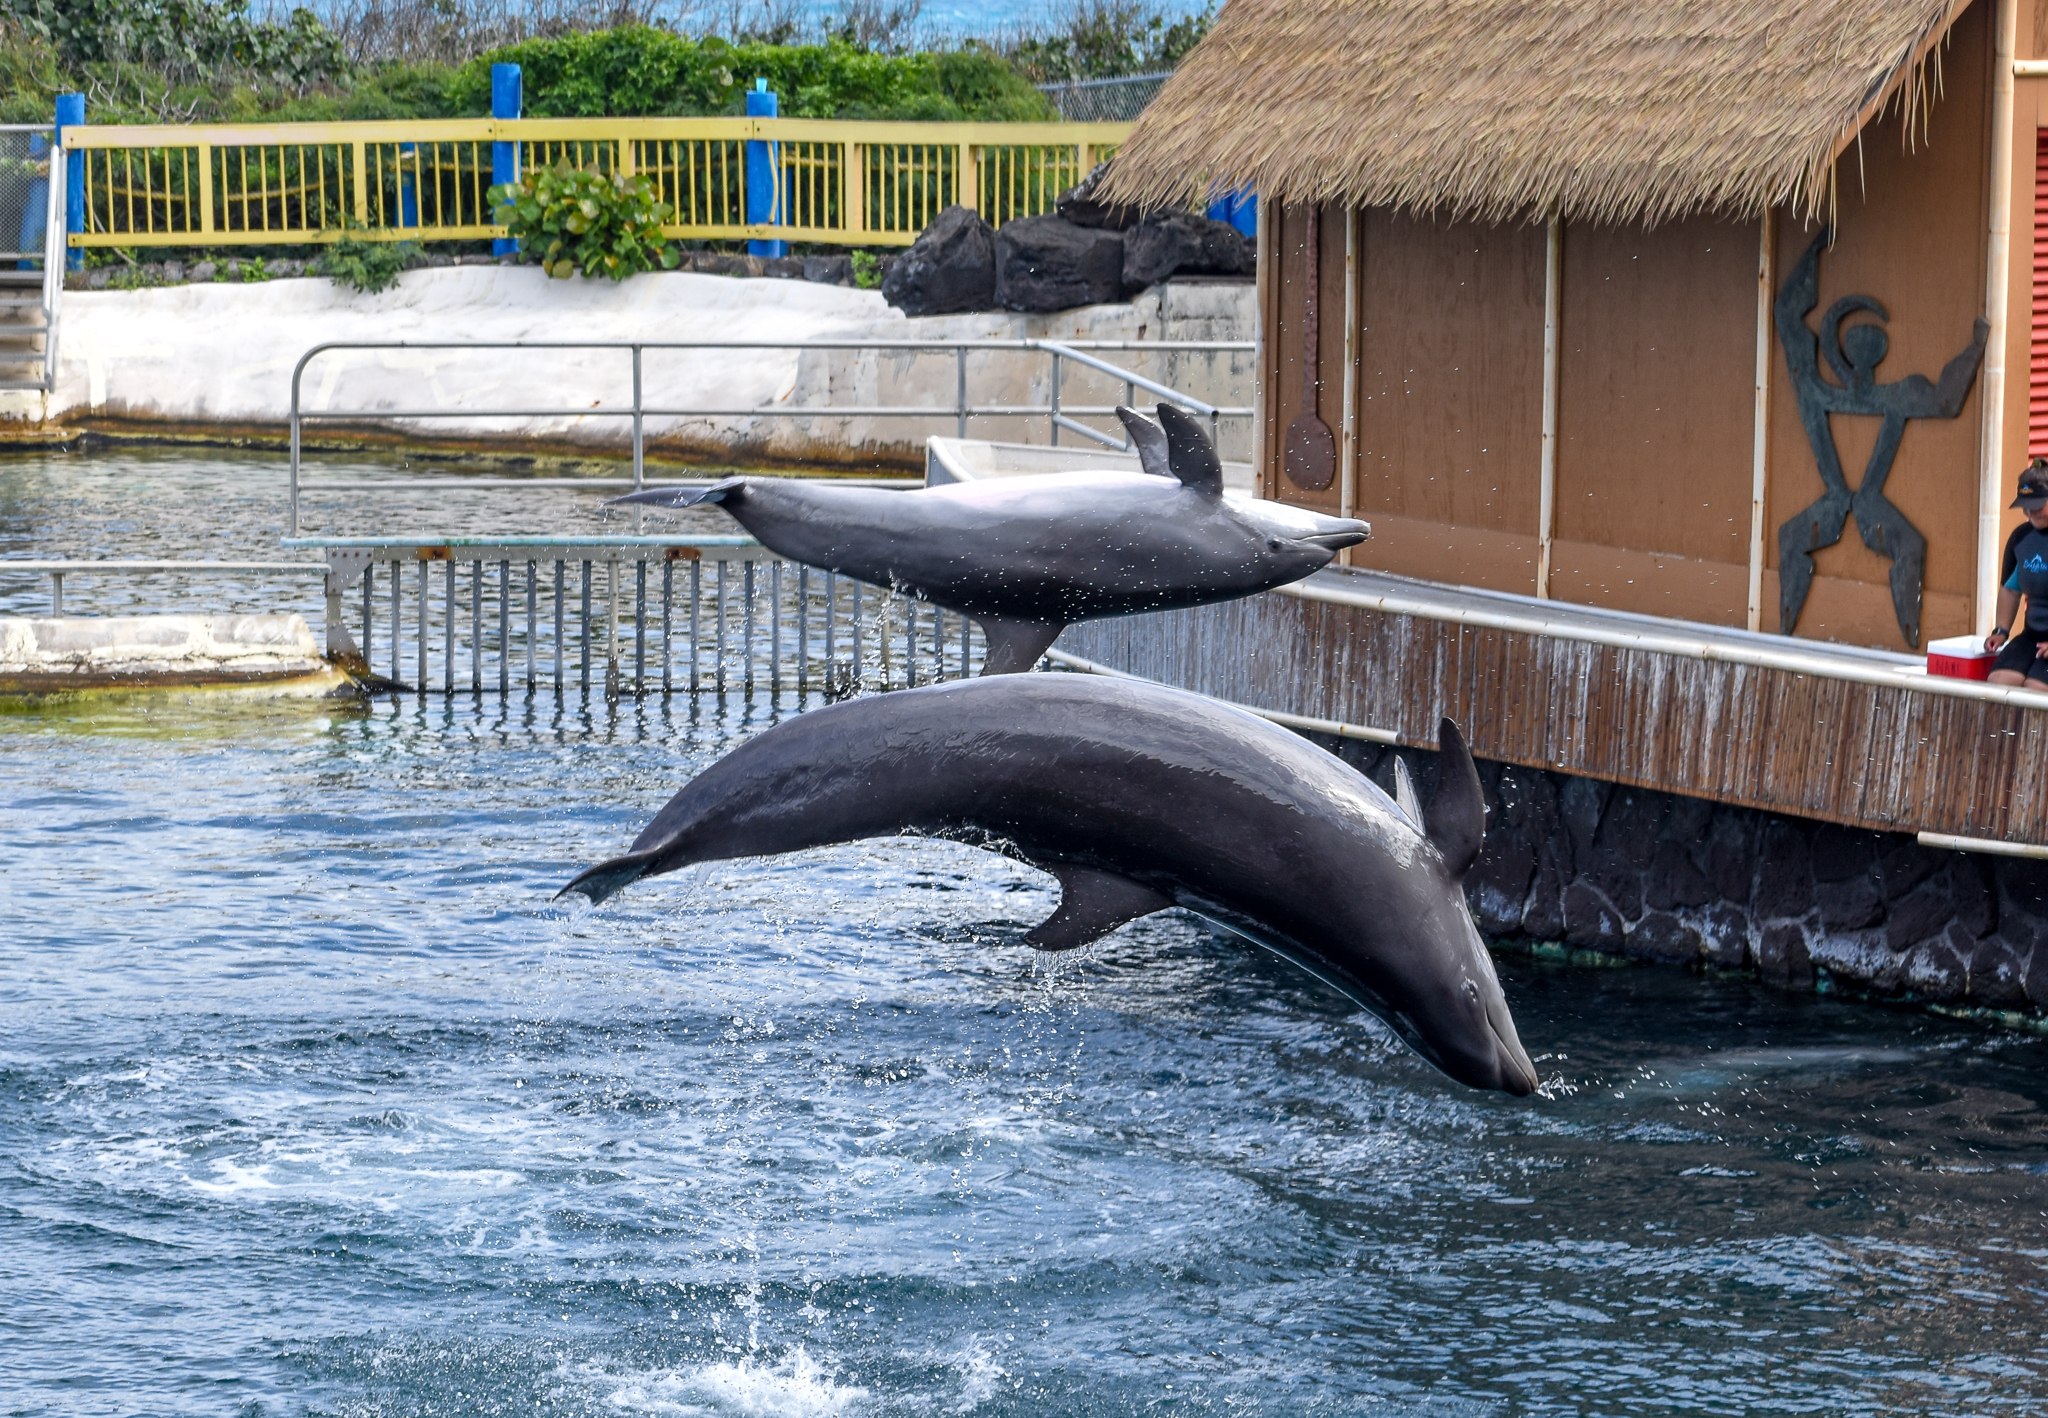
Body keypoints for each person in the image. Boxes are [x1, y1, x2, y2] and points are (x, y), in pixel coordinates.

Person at [1986, 458, 2048, 686]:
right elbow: (2011, 589)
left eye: (2038, 505)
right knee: (2000, 681)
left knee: (2036, 689)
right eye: (2026, 505)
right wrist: (2000, 630)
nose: (2031, 512)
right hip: (2033, 635)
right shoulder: (2021, 538)